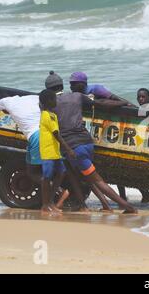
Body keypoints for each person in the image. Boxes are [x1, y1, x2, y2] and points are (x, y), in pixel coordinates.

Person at [45, 72, 137, 213]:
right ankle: (97, 206)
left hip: (73, 148)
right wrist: (123, 103)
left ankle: (128, 207)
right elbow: (101, 104)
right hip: (86, 143)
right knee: (82, 176)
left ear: (47, 90)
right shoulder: (77, 96)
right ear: (63, 85)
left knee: (97, 180)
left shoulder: (49, 104)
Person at [38, 89, 77, 215]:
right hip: (48, 151)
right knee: (46, 177)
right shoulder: (47, 115)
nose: (57, 101)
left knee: (61, 173)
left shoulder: (52, 114)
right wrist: (69, 149)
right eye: (55, 98)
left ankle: (50, 202)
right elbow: (56, 134)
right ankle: (45, 205)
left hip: (55, 151)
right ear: (49, 101)